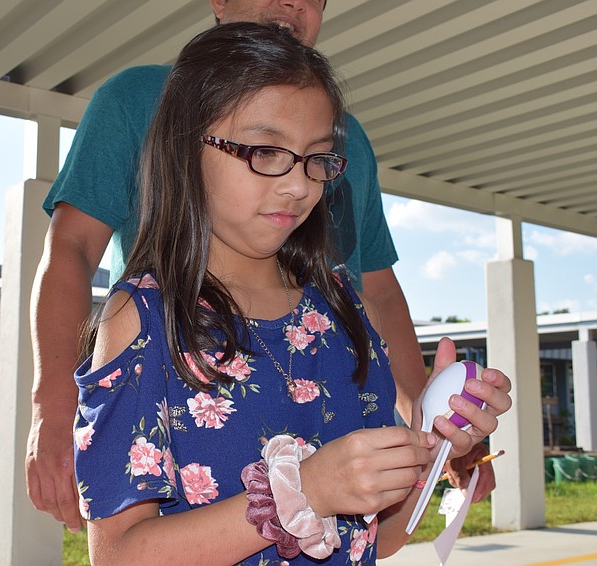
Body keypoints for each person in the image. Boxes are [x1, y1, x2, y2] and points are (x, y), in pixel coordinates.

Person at [27, 0, 496, 534]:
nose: (297, 184)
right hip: (175, 390)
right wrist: (57, 405)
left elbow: (381, 294)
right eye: (264, 151)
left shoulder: (350, 146)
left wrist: (432, 435)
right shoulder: (137, 100)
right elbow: (72, 248)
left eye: (317, 159)